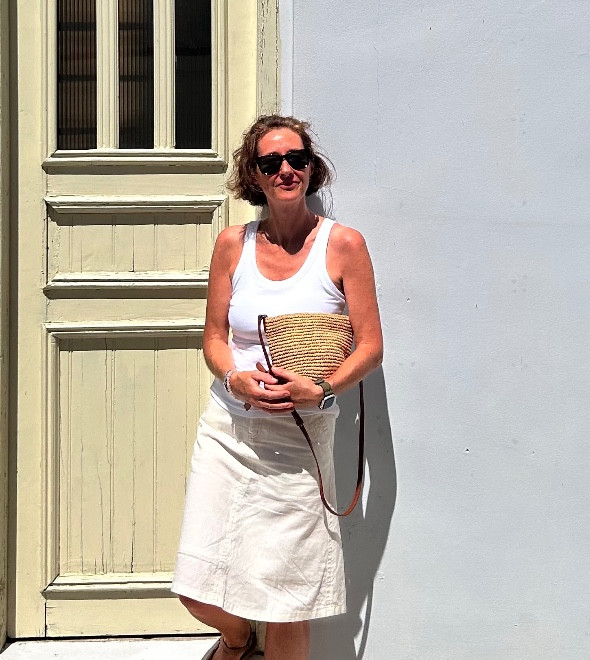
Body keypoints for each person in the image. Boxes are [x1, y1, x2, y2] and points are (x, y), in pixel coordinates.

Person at [171, 115, 383, 660]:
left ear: (312, 169)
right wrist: (234, 378)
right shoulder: (232, 245)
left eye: (297, 159)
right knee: (196, 582)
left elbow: (370, 347)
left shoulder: (343, 245)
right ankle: (237, 637)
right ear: (254, 175)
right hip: (229, 432)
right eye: (271, 162)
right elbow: (214, 338)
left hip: (299, 441)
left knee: (288, 598)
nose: (286, 170)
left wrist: (323, 389)